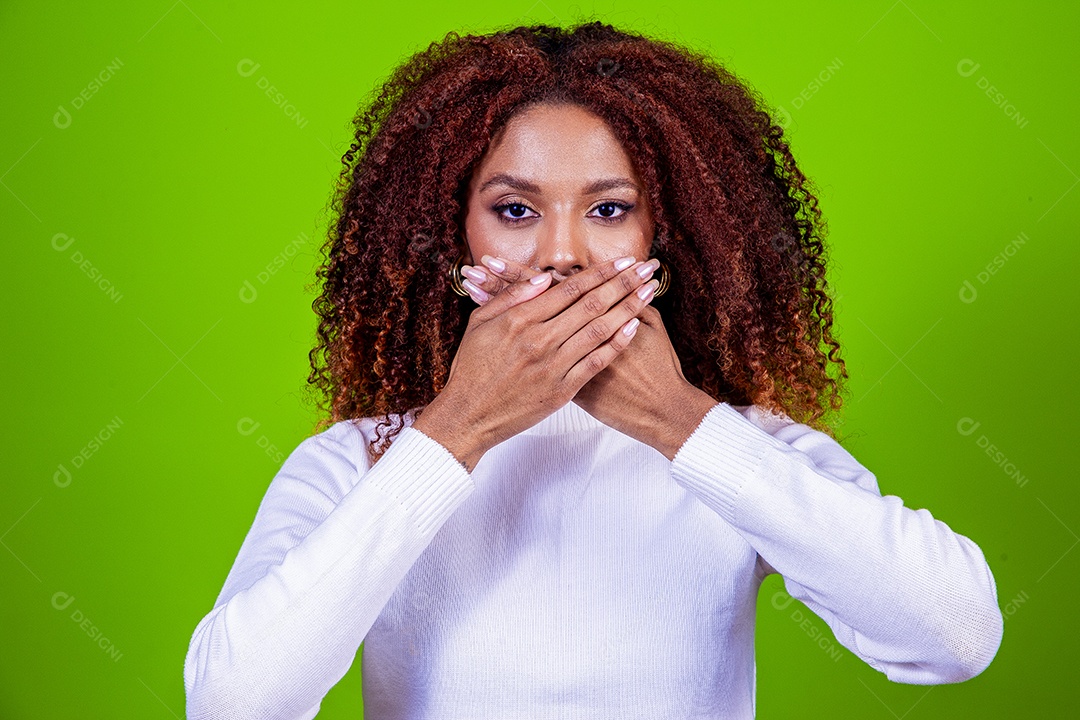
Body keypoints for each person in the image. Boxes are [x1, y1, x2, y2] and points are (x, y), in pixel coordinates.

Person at [184, 21, 1003, 719]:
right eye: (514, 211)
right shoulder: (364, 459)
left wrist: (679, 421)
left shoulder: (735, 445)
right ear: (451, 231)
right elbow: (232, 701)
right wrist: (457, 428)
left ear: (665, 237)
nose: (563, 253)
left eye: (609, 210)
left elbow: (955, 635)